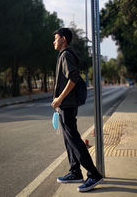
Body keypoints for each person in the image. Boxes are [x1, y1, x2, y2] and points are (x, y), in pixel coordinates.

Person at [51, 27, 102, 192]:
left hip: (67, 104)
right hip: (66, 104)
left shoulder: (66, 55)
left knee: (74, 140)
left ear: (64, 39)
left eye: (56, 38)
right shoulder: (65, 54)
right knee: (68, 138)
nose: (54, 41)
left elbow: (73, 78)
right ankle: (75, 171)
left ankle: (93, 174)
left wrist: (59, 99)